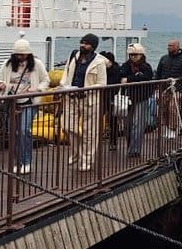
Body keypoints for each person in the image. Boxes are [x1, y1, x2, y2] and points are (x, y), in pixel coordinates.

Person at [0, 38, 50, 175]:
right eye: (17, 54)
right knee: (13, 132)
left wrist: (36, 89)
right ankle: (17, 162)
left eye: (22, 54)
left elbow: (46, 80)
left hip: (29, 101)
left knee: (24, 131)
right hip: (11, 102)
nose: (20, 57)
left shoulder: (37, 64)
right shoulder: (8, 65)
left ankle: (26, 161)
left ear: (28, 54)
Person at [59, 33, 108, 171]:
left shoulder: (99, 62)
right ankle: (77, 152)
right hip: (71, 97)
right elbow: (66, 72)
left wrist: (86, 89)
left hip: (90, 100)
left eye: (86, 43)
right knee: (67, 126)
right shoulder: (74, 56)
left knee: (90, 132)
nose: (82, 45)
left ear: (92, 46)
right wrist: (63, 85)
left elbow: (102, 83)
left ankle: (86, 159)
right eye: (82, 42)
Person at [119, 43, 155, 158]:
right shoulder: (126, 65)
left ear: (141, 55)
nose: (133, 57)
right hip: (128, 98)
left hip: (142, 97)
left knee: (137, 124)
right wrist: (136, 77)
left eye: (135, 55)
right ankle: (131, 146)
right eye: (131, 55)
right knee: (127, 125)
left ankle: (135, 149)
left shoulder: (146, 66)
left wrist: (129, 79)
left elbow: (146, 77)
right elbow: (120, 76)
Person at [99, 50, 121, 152]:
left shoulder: (115, 69)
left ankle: (113, 142)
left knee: (112, 120)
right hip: (103, 96)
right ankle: (99, 139)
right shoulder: (102, 69)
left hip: (111, 97)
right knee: (98, 119)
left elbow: (114, 82)